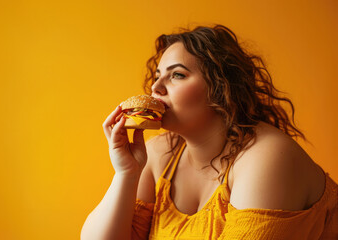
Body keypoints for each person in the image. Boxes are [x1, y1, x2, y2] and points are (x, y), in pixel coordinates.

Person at [81, 25, 338, 240]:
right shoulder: (162, 153)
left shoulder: (267, 157)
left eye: (177, 75)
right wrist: (126, 174)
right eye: (157, 76)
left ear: (221, 87)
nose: (156, 87)